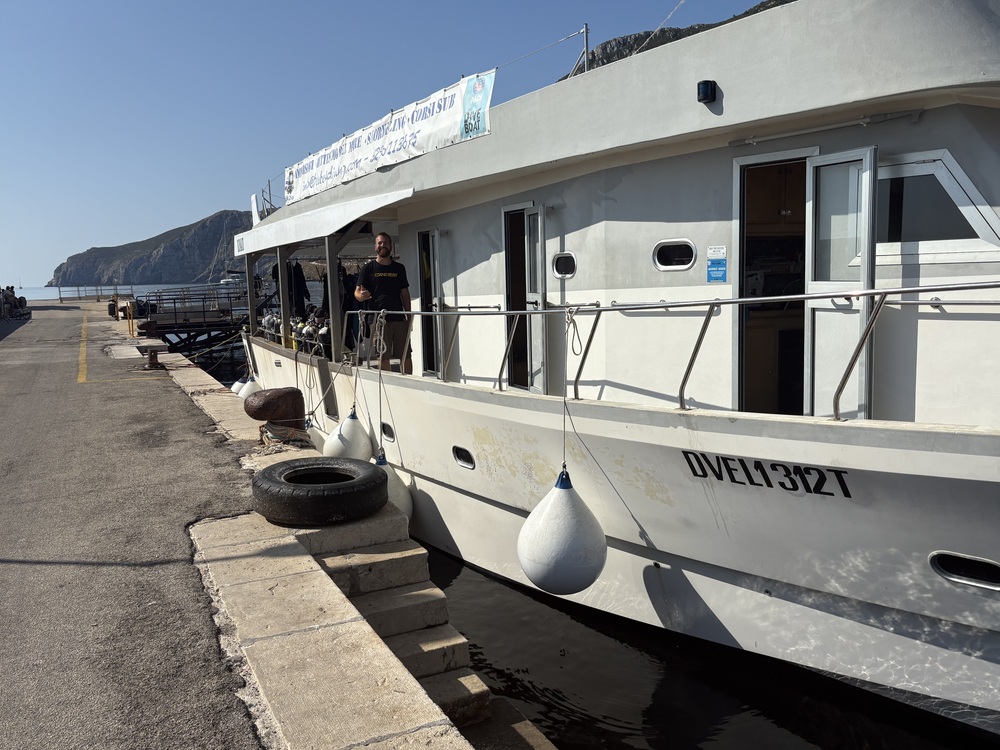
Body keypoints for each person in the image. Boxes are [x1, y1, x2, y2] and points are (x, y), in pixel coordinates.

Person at [355, 233, 412, 374]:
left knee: (405, 354)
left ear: (391, 246)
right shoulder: (368, 268)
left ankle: (407, 381)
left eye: (386, 242)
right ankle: (386, 382)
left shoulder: (399, 268)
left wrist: (409, 317)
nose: (383, 245)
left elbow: (405, 295)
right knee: (383, 355)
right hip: (378, 319)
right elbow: (357, 293)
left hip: (399, 318)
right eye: (380, 243)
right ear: (375, 246)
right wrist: (361, 296)